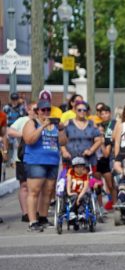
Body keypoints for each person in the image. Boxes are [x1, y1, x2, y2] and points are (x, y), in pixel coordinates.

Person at [22, 97, 61, 232]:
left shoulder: (54, 125)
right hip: (36, 161)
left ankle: (43, 217)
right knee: (34, 191)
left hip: (53, 161)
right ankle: (33, 221)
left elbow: (64, 141)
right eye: (43, 110)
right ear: (37, 111)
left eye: (48, 109)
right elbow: (29, 139)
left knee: (48, 191)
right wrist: (43, 126)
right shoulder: (32, 123)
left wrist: (61, 128)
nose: (46, 112)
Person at [7, 102, 36, 222]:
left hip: (38, 158)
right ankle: (25, 213)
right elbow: (9, 131)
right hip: (22, 158)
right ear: (28, 110)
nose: (36, 111)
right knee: (24, 186)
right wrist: (25, 134)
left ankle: (36, 212)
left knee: (36, 187)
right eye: (34, 109)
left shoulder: (42, 121)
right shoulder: (22, 120)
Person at [59, 101, 102, 171]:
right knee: (70, 181)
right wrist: (64, 152)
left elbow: (99, 140)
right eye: (79, 110)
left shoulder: (92, 124)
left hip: (88, 160)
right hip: (70, 159)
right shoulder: (68, 123)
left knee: (87, 181)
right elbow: (61, 140)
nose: (82, 112)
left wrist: (91, 151)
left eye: (84, 110)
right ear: (75, 111)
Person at [96, 105, 117, 211]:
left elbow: (106, 154)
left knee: (111, 185)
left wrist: (102, 143)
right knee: (97, 186)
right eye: (102, 113)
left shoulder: (114, 124)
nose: (99, 133)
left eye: (106, 113)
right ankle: (100, 207)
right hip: (96, 163)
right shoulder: (93, 139)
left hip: (105, 162)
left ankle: (116, 204)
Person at [65, 156, 90, 221]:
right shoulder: (71, 172)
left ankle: (81, 213)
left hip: (82, 193)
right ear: (73, 167)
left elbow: (85, 187)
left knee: (84, 197)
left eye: (81, 166)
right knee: (74, 196)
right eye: (76, 167)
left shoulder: (85, 175)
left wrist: (79, 197)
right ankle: (72, 212)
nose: (79, 168)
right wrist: (68, 192)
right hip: (72, 192)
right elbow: (69, 181)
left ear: (83, 167)